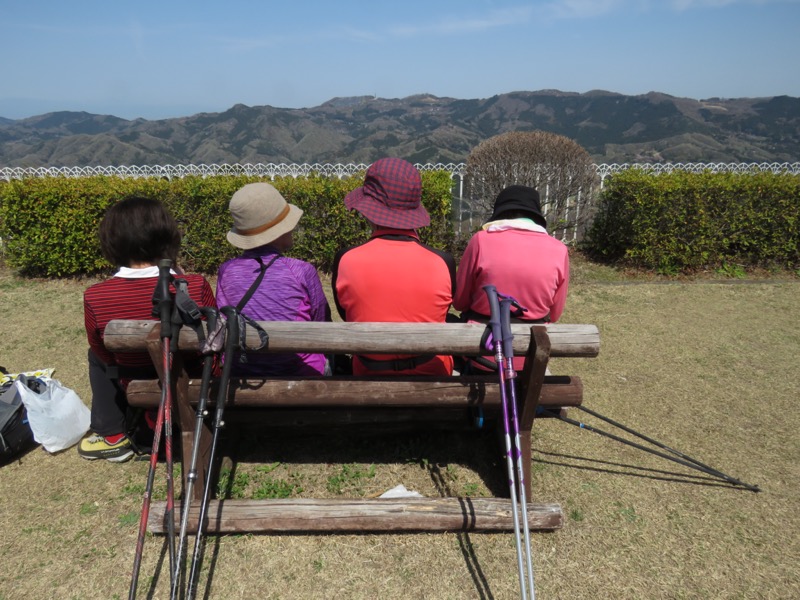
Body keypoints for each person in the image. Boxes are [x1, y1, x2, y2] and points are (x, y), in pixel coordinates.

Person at [79, 197, 216, 462]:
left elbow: (104, 352)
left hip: (134, 379)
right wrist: (181, 277)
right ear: (167, 235)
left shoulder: (96, 295)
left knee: (96, 355)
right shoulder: (194, 285)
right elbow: (213, 337)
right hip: (192, 380)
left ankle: (112, 433)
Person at [332, 157, 456, 376]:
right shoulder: (443, 262)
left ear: (368, 209)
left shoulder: (346, 260)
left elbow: (346, 315)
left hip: (369, 379)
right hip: (434, 383)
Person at [216, 182, 331, 376]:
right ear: (278, 232)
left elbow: (226, 317)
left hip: (243, 373)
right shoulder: (301, 270)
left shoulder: (226, 271)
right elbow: (322, 323)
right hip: (299, 372)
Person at [453, 184, 569, 370]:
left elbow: (459, 302)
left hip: (482, 353)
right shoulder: (559, 249)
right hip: (531, 357)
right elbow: (554, 314)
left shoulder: (481, 240)